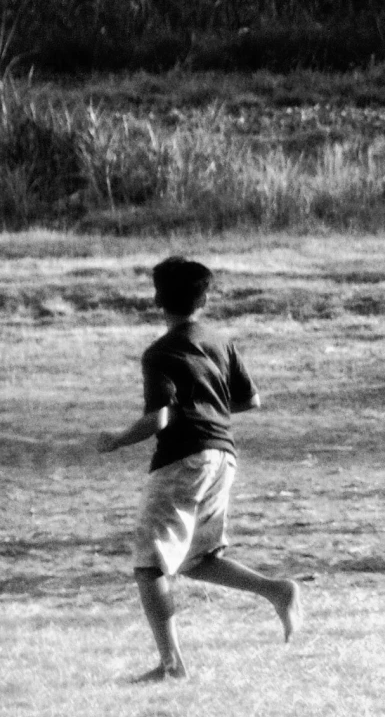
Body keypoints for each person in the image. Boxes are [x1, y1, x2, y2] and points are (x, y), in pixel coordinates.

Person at [95, 256, 301, 683]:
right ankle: (277, 590)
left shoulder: (160, 353)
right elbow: (250, 400)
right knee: (196, 559)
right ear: (204, 298)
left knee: (149, 567)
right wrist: (207, 406)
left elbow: (159, 420)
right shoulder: (220, 342)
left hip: (182, 459)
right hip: (222, 457)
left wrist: (115, 439)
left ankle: (171, 666)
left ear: (157, 300)